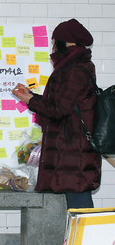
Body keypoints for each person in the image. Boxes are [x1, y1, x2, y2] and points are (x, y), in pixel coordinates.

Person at [12, 19, 101, 209]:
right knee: (76, 205)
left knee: (79, 206)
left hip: (74, 152)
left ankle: (88, 239)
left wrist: (31, 101)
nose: (53, 46)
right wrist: (31, 97)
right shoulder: (73, 66)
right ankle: (79, 239)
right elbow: (61, 104)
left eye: (55, 41)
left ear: (67, 42)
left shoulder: (75, 70)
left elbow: (59, 110)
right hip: (70, 149)